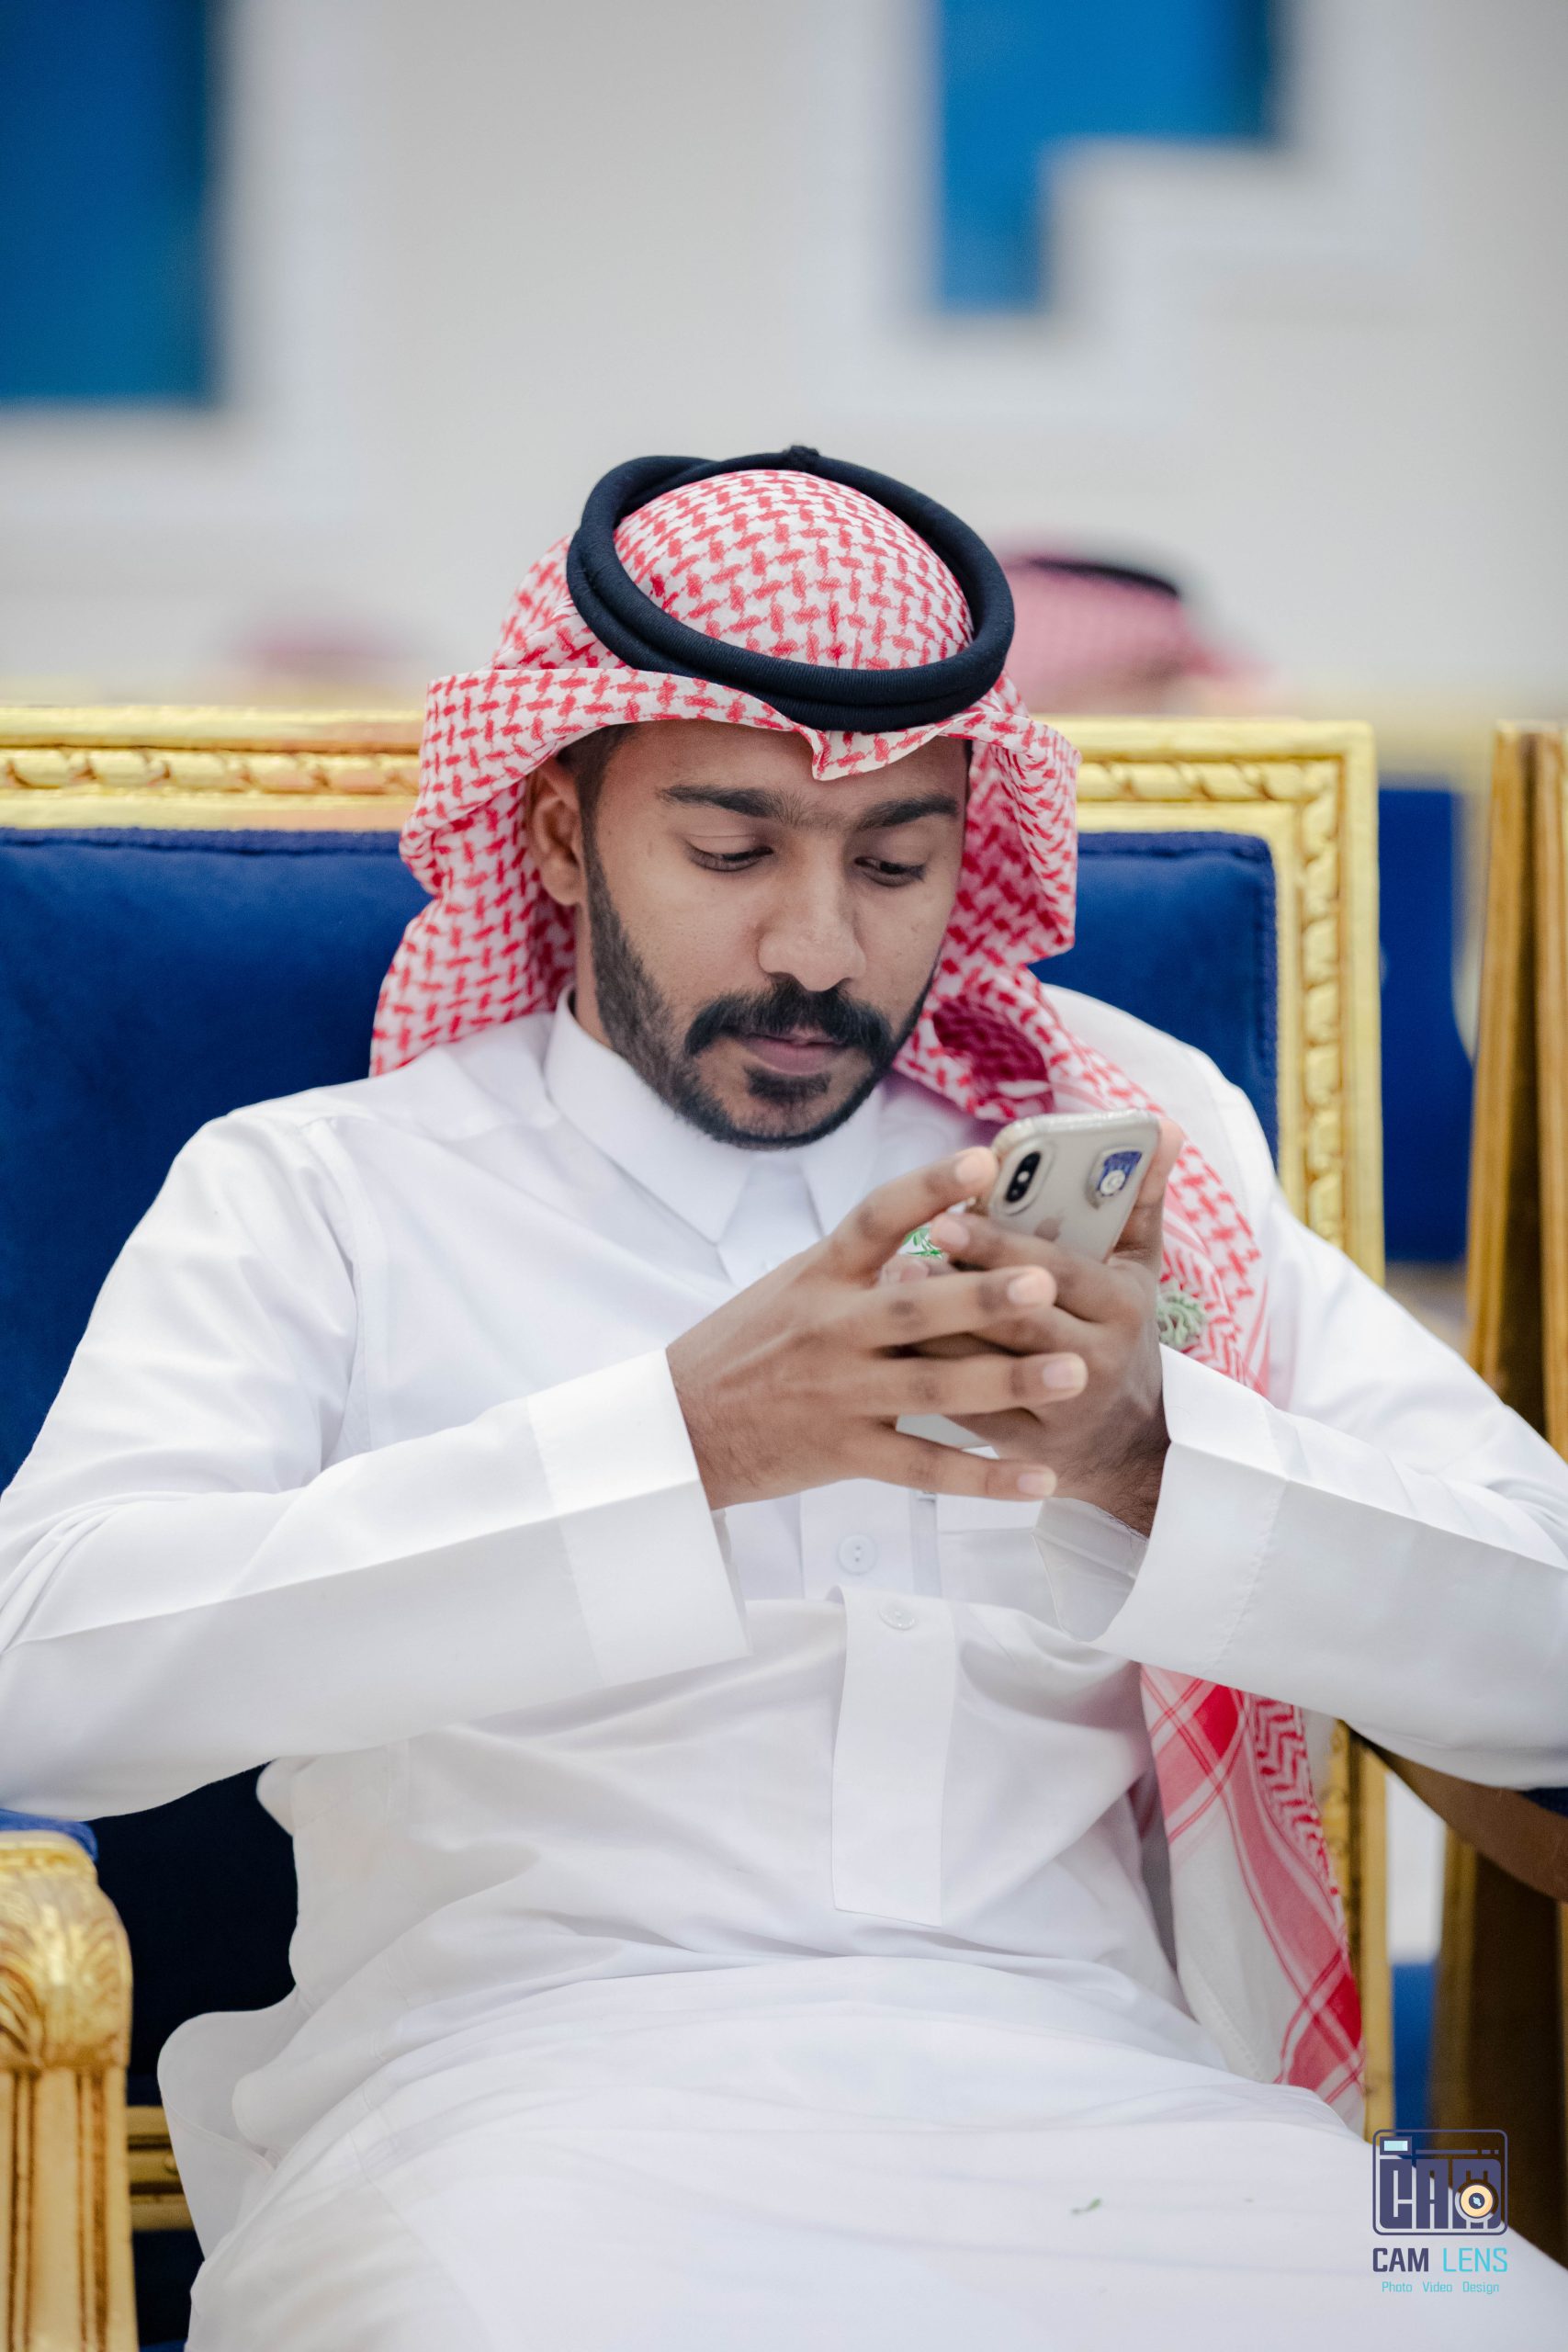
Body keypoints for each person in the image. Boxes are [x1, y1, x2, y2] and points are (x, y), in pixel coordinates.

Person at [0, 448, 1564, 2349]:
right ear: (559, 833)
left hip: (1137, 2121)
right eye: (732, 851)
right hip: (518, 2132)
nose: (820, 948)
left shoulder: (1140, 1158)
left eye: (894, 861)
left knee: (1490, 2306)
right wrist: (677, 1447)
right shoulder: (322, 1190)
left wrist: (1149, 1460)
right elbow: (44, 1675)